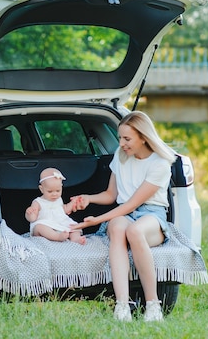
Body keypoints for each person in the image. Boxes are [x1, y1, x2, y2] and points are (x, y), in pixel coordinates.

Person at [70, 111, 176, 322]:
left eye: (127, 138)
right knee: (118, 228)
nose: (121, 143)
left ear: (143, 137)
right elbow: (111, 196)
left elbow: (132, 204)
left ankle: (153, 305)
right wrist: (88, 199)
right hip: (124, 213)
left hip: (150, 214)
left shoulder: (160, 164)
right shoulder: (121, 156)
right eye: (120, 137)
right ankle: (122, 305)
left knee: (134, 231)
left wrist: (97, 220)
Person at [25, 168, 86, 245]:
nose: (54, 194)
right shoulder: (38, 202)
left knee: (74, 226)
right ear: (41, 189)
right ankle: (58, 237)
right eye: (50, 191)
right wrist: (29, 213)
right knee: (39, 227)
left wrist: (73, 203)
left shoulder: (59, 199)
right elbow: (32, 219)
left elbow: (65, 210)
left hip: (60, 223)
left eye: (58, 191)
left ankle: (75, 239)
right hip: (46, 224)